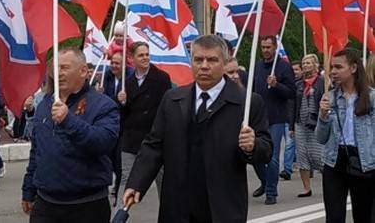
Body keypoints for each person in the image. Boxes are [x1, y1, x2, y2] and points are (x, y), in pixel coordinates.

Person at [123, 35, 273, 223]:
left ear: (225, 63)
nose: (204, 66)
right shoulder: (173, 99)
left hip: (222, 205)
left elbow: (266, 149)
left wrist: (253, 145)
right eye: (198, 59)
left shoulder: (247, 103)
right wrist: (137, 182)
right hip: (178, 205)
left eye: (212, 60)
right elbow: (154, 145)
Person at [21, 48, 119, 223]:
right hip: (46, 204)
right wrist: (28, 189)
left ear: (83, 71)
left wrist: (68, 120)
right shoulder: (45, 104)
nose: (59, 73)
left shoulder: (104, 105)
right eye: (56, 68)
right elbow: (37, 151)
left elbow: (103, 142)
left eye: (65, 67)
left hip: (86, 205)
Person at [316, 49, 375, 223]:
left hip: (363, 161)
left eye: (338, 67)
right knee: (334, 216)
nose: (333, 71)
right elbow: (320, 138)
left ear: (354, 68)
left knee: (364, 216)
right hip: (334, 161)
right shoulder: (330, 97)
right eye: (331, 67)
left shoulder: (371, 97)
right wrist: (323, 115)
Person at [116, 42, 171, 206]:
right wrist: (122, 102)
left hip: (155, 139)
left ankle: (169, 215)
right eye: (141, 55)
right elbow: (122, 115)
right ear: (132, 59)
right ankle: (121, 215)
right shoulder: (127, 82)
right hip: (131, 140)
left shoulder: (161, 78)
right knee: (126, 179)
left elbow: (166, 108)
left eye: (147, 54)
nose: (146, 57)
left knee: (164, 181)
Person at [252, 35, 296, 205]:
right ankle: (265, 181)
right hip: (257, 118)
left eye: (268, 47)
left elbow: (291, 92)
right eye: (263, 47)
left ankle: (271, 192)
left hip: (276, 118)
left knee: (271, 157)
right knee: (254, 155)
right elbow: (252, 89)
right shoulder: (257, 66)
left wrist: (277, 85)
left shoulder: (284, 67)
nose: (265, 50)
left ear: (275, 47)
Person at [293, 54, 324, 198]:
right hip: (301, 123)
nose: (305, 66)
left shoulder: (322, 82)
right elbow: (293, 104)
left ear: (315, 65)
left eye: (308, 63)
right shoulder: (298, 83)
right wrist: (292, 125)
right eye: (304, 63)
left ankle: (330, 184)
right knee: (302, 155)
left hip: (317, 123)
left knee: (320, 156)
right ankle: (306, 188)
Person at [100, 52, 130, 201]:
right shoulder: (107, 76)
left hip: (124, 126)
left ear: (124, 65)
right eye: (112, 62)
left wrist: (123, 101)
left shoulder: (130, 77)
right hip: (109, 124)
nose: (113, 66)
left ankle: (118, 191)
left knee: (119, 162)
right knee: (107, 158)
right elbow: (106, 100)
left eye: (117, 63)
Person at [281, 60, 303, 182]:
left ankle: (305, 167)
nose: (294, 72)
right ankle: (287, 169)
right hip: (286, 117)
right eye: (292, 70)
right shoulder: (289, 84)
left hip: (298, 119)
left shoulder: (302, 85)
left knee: (293, 145)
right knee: (290, 144)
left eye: (296, 69)